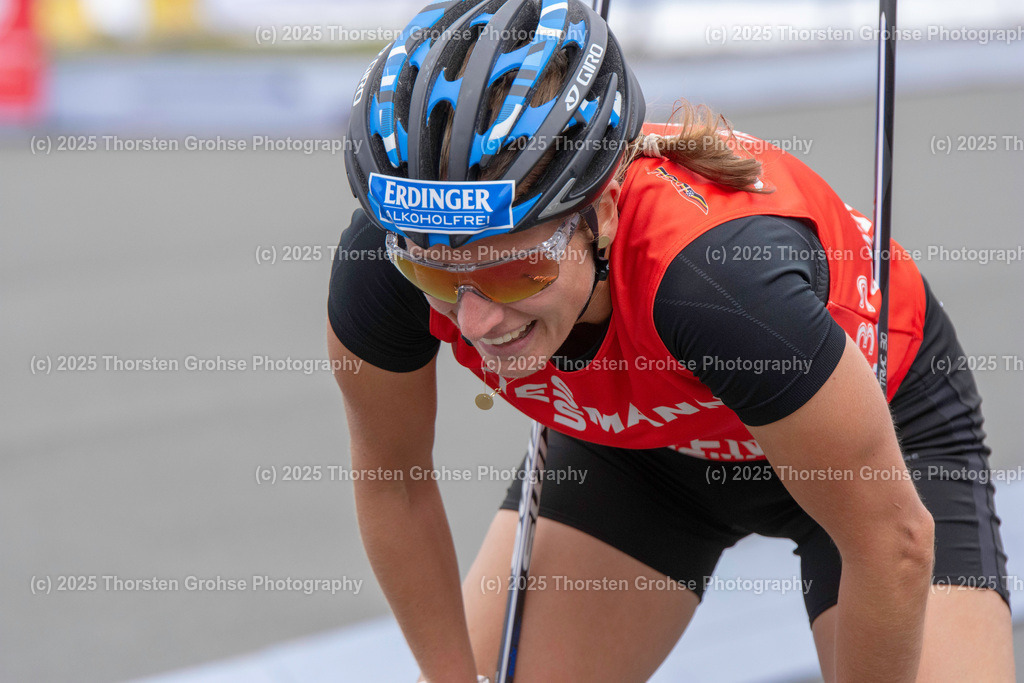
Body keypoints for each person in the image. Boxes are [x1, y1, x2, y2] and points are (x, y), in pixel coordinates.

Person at [327, 1, 1015, 680]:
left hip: (878, 425)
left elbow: (890, 543)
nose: (473, 320)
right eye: (434, 271)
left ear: (601, 209)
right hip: (642, 457)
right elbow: (395, 482)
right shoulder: (383, 266)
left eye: (514, 270)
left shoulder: (717, 285)